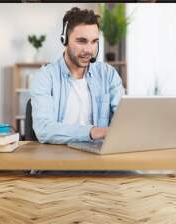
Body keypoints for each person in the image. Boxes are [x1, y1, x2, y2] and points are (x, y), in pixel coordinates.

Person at [30, 7, 125, 144]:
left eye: (94, 42)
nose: (89, 50)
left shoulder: (108, 74)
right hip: (58, 159)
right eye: (82, 41)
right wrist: (92, 132)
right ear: (65, 40)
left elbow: (123, 120)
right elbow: (44, 129)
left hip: (99, 158)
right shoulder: (45, 78)